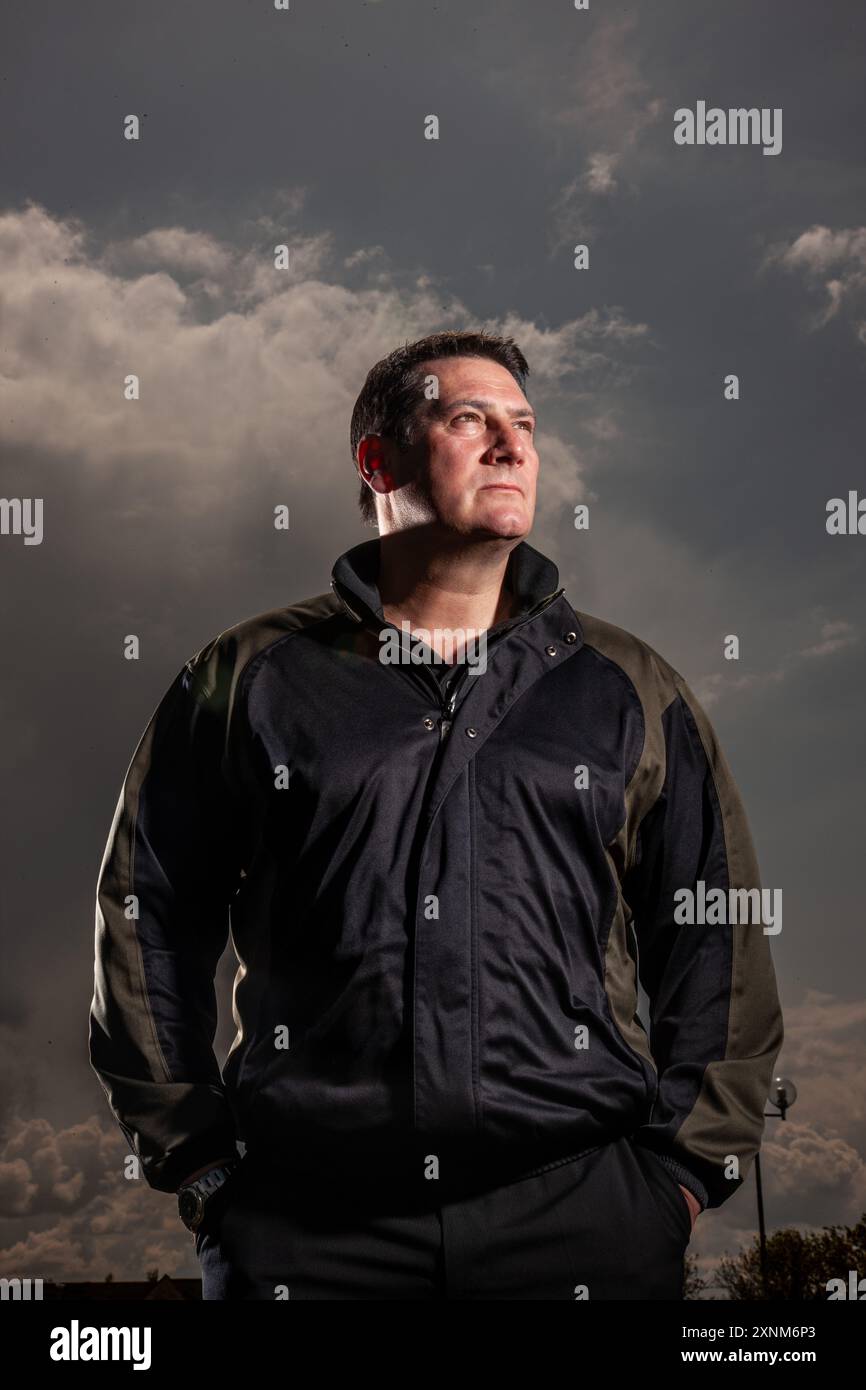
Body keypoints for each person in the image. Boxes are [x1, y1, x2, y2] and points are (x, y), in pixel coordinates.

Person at [88, 329, 784, 1300]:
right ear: (378, 458)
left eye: (524, 425)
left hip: (584, 1219)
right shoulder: (245, 675)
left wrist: (678, 1175)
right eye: (469, 419)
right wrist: (201, 1164)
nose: (511, 446)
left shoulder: (627, 687)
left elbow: (711, 938)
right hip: (306, 1232)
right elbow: (147, 909)